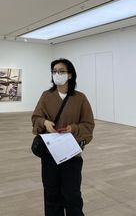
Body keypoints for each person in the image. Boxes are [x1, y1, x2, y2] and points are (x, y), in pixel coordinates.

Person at [31, 58, 95, 216]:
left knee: (72, 195)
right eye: (54, 71)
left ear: (70, 75)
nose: (57, 74)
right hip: (50, 153)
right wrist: (44, 122)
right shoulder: (46, 96)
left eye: (61, 71)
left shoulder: (80, 98)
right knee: (51, 194)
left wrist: (73, 128)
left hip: (71, 153)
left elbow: (88, 124)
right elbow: (36, 118)